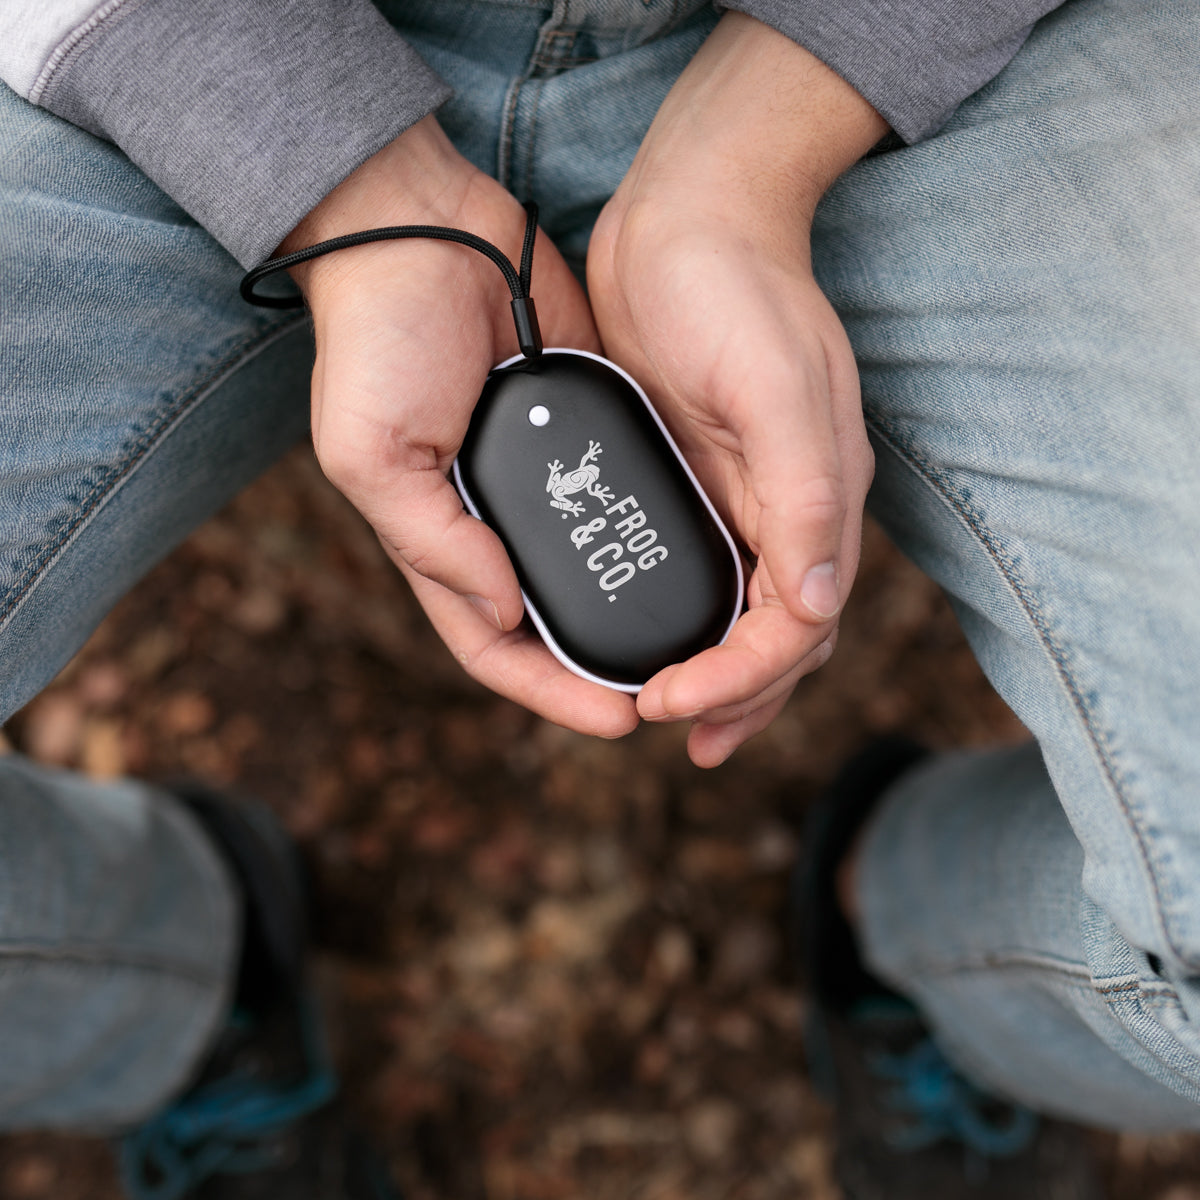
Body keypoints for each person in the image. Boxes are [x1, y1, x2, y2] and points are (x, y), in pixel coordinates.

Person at [1, 0, 1198, 1195]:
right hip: (180, 61)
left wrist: (759, 140)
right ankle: (171, 982)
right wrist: (345, 184)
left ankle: (940, 945)